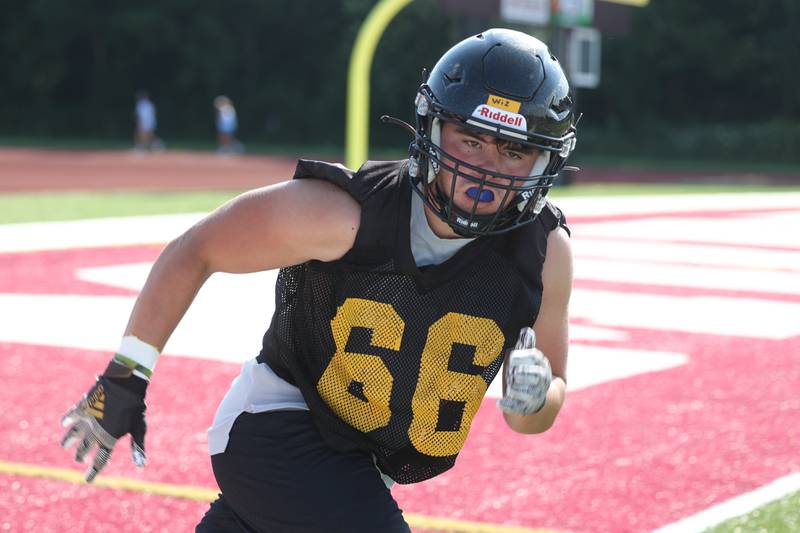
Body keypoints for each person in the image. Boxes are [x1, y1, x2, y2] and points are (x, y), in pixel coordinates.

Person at [61, 28, 577, 532]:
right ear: (434, 130)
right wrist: (127, 375)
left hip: (356, 468)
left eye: (514, 152)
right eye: (472, 140)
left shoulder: (544, 254)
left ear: (544, 162)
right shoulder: (347, 213)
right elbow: (195, 250)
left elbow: (533, 418)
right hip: (279, 426)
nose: (487, 170)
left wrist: (534, 398)